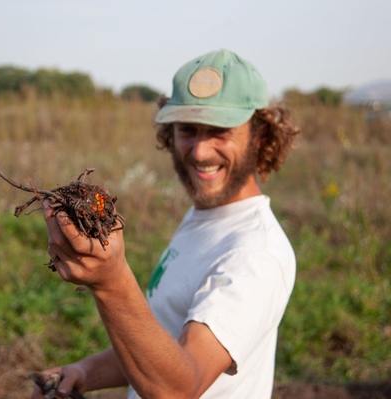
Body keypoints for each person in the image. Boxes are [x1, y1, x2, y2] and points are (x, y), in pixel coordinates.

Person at [33, 49, 300, 399]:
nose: (201, 151)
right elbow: (164, 345)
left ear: (260, 136)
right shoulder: (207, 217)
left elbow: (178, 389)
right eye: (188, 129)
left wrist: (111, 283)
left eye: (221, 132)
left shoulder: (255, 255)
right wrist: (84, 372)